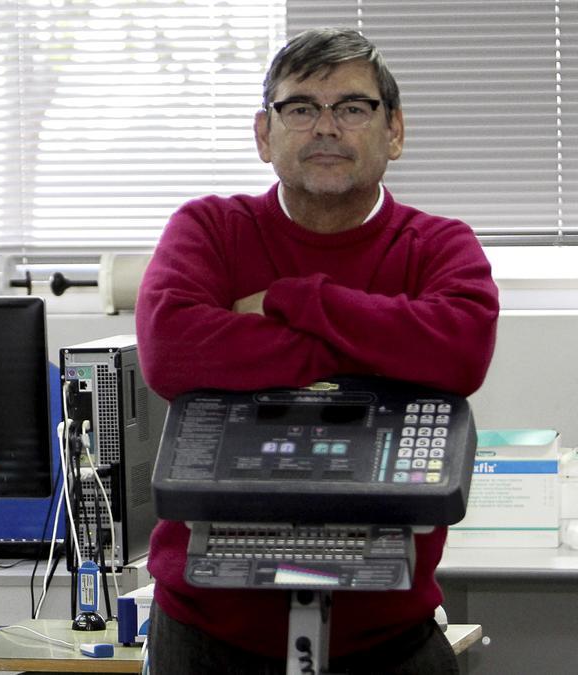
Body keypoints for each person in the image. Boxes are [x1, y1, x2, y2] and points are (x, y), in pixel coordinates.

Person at [135, 27, 500, 674]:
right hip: (207, 638)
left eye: (353, 107)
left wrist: (289, 301)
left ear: (394, 132)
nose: (325, 127)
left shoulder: (438, 246)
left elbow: (460, 350)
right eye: (300, 107)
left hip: (389, 638)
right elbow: (172, 351)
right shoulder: (209, 231)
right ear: (263, 133)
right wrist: (378, 353)